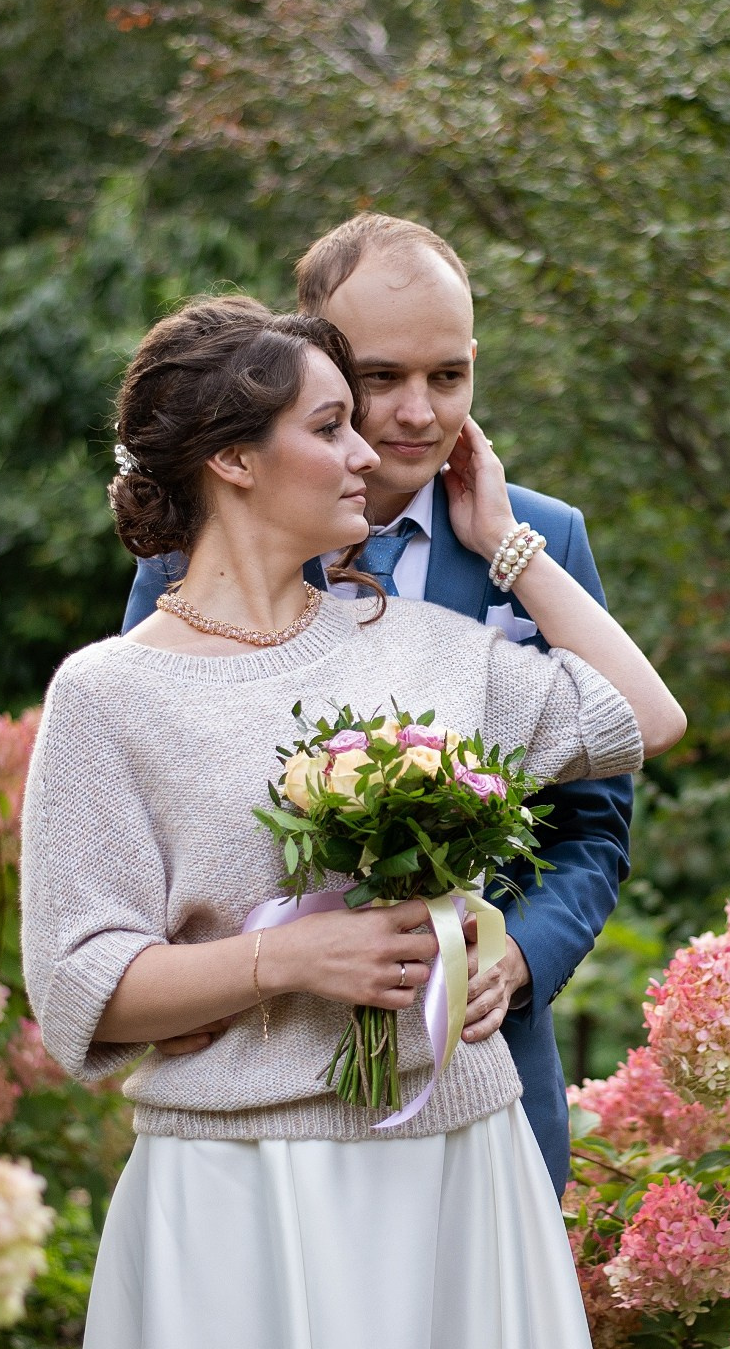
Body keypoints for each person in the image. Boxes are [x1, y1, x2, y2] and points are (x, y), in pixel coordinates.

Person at [24, 293, 682, 1349]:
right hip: (243, 1196)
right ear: (231, 457)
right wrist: (289, 961)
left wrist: (507, 548)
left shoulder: (427, 649)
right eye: (331, 425)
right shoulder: (108, 696)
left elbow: (642, 714)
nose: (372, 453)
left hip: (457, 1173)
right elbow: (80, 987)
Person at [122, 213, 627, 1194]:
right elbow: (149, 811)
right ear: (311, 364)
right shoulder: (203, 544)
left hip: (477, 1066)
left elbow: (594, 825)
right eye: (381, 379)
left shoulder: (546, 542)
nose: (415, 412)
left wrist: (519, 958)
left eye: (449, 376)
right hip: (263, 1079)